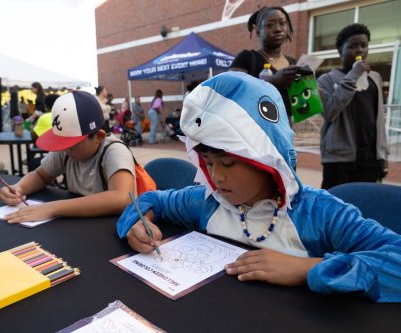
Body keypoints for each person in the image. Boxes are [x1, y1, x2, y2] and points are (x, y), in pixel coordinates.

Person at [116, 72, 401, 302]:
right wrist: (138, 223)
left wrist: (307, 268)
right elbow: (152, 199)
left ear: (267, 160)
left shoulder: (321, 214)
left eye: (228, 164)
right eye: (208, 163)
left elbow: (395, 259)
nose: (217, 177)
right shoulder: (206, 201)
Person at [0, 90, 136, 222]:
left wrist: (52, 208)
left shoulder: (114, 151)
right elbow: (41, 175)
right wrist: (19, 187)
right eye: (62, 143)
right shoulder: (66, 151)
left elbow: (122, 198)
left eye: (72, 144)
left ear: (98, 137)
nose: (65, 149)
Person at [318, 24, 389, 190]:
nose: (359, 50)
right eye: (352, 46)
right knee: (335, 205)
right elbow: (329, 112)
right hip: (339, 159)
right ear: (339, 50)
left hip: (370, 158)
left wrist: (383, 155)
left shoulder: (375, 78)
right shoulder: (326, 80)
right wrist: (354, 74)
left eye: (364, 45)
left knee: (365, 205)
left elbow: (379, 119)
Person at [230, 6, 298, 124]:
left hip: (284, 129)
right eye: (270, 25)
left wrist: (311, 89)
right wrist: (274, 81)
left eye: (282, 23)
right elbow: (233, 93)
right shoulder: (246, 58)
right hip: (253, 129)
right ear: (258, 30)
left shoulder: (293, 63)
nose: (278, 29)